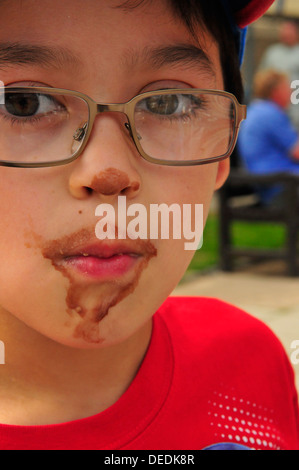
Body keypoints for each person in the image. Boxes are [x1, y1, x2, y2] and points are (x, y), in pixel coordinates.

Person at [0, 0, 298, 451]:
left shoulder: (249, 357)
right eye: (22, 104)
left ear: (222, 156)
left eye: (168, 102)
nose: (109, 172)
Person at [238, 69, 299, 205]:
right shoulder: (271, 113)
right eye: (286, 87)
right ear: (276, 90)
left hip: (266, 184)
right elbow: (296, 152)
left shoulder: (256, 110)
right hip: (280, 186)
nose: (290, 91)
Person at [259, 20, 299, 129]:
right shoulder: (273, 52)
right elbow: (262, 77)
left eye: (289, 31)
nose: (285, 34)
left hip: (295, 102)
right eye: (283, 31)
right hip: (273, 102)